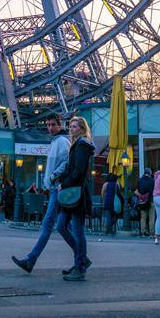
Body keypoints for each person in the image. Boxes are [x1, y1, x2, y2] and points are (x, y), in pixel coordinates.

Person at [12, 113, 79, 274]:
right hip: (55, 188)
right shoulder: (57, 141)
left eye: (53, 125)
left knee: (48, 224)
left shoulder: (62, 141)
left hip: (58, 188)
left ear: (60, 124)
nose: (50, 128)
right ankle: (81, 256)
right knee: (63, 226)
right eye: (48, 125)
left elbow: (67, 162)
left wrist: (53, 176)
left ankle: (30, 260)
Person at [56, 115, 95, 281]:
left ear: (82, 129)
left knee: (77, 231)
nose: (71, 129)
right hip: (73, 192)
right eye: (70, 126)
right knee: (62, 226)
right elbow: (74, 169)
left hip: (76, 193)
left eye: (75, 126)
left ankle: (80, 267)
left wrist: (64, 183)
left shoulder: (82, 145)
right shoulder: (78, 145)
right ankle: (81, 259)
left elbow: (78, 171)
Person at [136, 167, 155, 236]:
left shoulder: (140, 180)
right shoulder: (152, 180)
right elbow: (154, 190)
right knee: (151, 217)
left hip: (142, 201)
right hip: (150, 200)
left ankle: (143, 232)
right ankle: (151, 232)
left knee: (143, 217)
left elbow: (137, 190)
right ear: (150, 173)